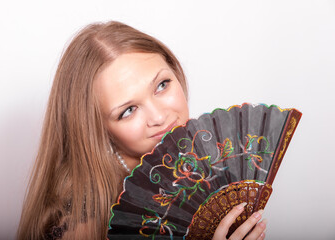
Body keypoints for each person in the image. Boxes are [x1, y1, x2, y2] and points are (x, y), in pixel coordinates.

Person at [17, 21, 267, 240]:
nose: (159, 117)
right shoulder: (81, 224)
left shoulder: (201, 168)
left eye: (162, 85)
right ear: (97, 130)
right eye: (128, 111)